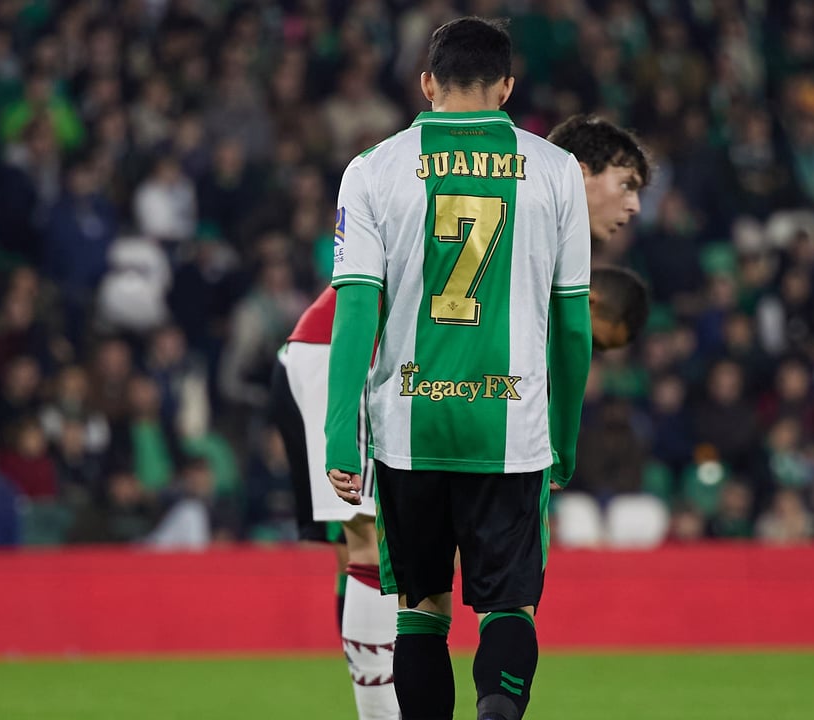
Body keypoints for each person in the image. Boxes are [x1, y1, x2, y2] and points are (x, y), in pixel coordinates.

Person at [272, 115, 648, 720]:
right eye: (625, 183)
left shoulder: (506, 201)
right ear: (579, 172)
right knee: (370, 547)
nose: (633, 206)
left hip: (393, 386)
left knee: (379, 563)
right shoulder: (531, 203)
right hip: (347, 363)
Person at [323, 18, 591, 720]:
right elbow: (572, 322)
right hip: (511, 425)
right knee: (509, 605)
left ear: (426, 83)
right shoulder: (556, 170)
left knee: (421, 608)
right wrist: (565, 436)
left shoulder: (372, 170)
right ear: (506, 87)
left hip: (411, 427)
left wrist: (339, 436)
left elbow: (355, 311)